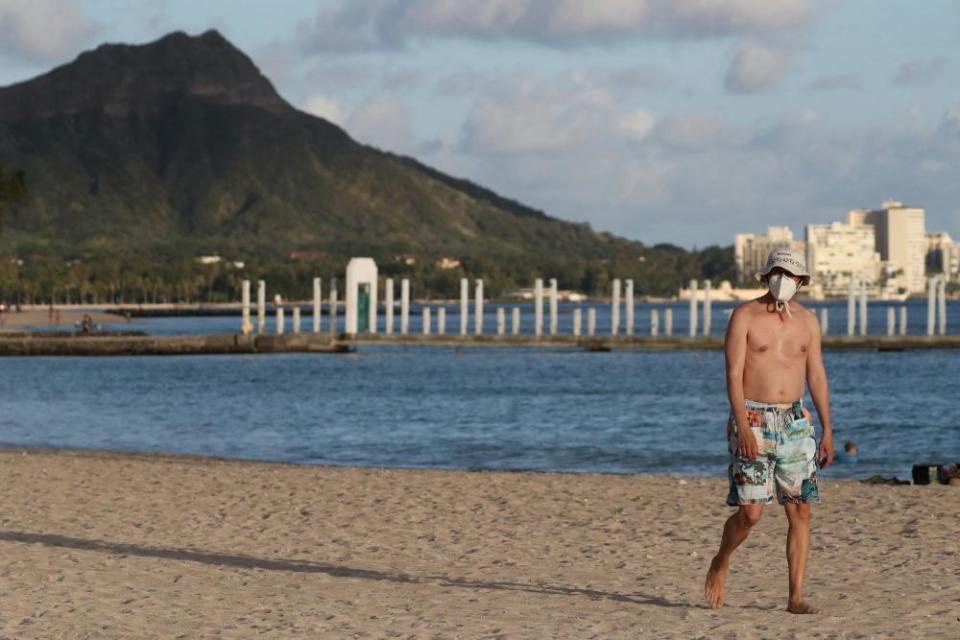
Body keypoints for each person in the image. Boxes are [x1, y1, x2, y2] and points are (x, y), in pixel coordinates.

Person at [705, 247, 835, 614]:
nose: (783, 280)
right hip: (754, 418)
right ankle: (722, 557)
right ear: (766, 275)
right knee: (751, 514)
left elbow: (817, 376)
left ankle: (795, 597)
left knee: (800, 512)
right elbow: (732, 375)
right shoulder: (744, 315)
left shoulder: (808, 322)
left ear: (802, 282)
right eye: (777, 272)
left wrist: (827, 429)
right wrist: (742, 425)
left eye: (791, 275)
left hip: (795, 421)